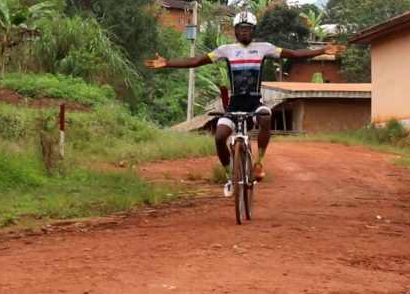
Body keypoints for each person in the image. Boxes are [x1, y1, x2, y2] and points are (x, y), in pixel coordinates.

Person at [144, 11, 346, 197]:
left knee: (266, 116)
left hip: (255, 102)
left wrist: (322, 51)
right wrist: (168, 63)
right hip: (234, 105)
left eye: (248, 28)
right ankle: (230, 175)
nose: (244, 32)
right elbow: (197, 61)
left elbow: (293, 54)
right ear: (235, 31)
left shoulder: (264, 48)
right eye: (240, 29)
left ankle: (258, 163)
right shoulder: (226, 50)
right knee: (220, 136)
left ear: (253, 31)